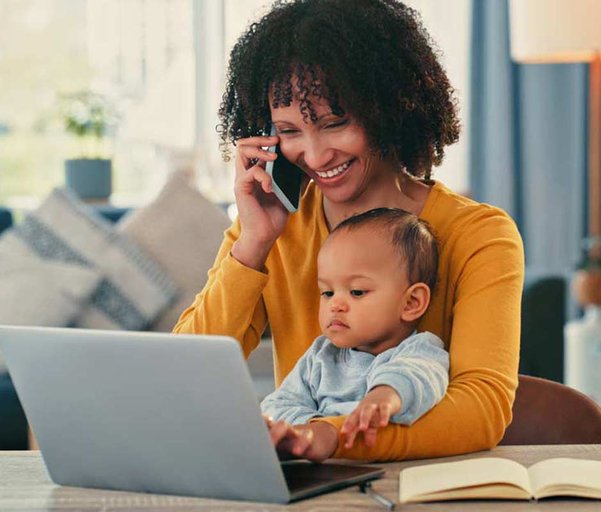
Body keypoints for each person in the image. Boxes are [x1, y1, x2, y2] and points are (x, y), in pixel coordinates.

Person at [174, 0, 524, 462]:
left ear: (389, 106)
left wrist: (331, 438)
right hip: (308, 486)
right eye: (289, 130)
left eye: (335, 123)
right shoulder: (272, 229)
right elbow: (180, 378)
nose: (315, 156)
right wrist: (254, 244)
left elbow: (482, 409)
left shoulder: (479, 235)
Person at [261, 208, 449, 459]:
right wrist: (310, 431)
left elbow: (417, 377)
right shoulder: (320, 355)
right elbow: (277, 404)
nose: (335, 305)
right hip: (325, 471)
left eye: (357, 292)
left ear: (411, 303)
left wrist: (385, 396)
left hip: (387, 474)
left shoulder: (420, 349)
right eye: (327, 292)